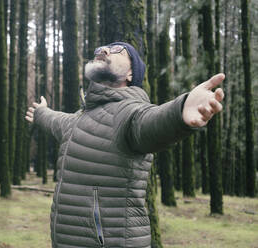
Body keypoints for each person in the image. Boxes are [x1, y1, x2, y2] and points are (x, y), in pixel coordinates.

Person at [25, 42, 224, 248]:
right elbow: (56, 120)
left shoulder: (128, 113)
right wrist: (41, 112)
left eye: (117, 50)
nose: (103, 51)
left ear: (131, 73)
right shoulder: (79, 119)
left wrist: (180, 111)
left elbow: (152, 122)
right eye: (100, 50)